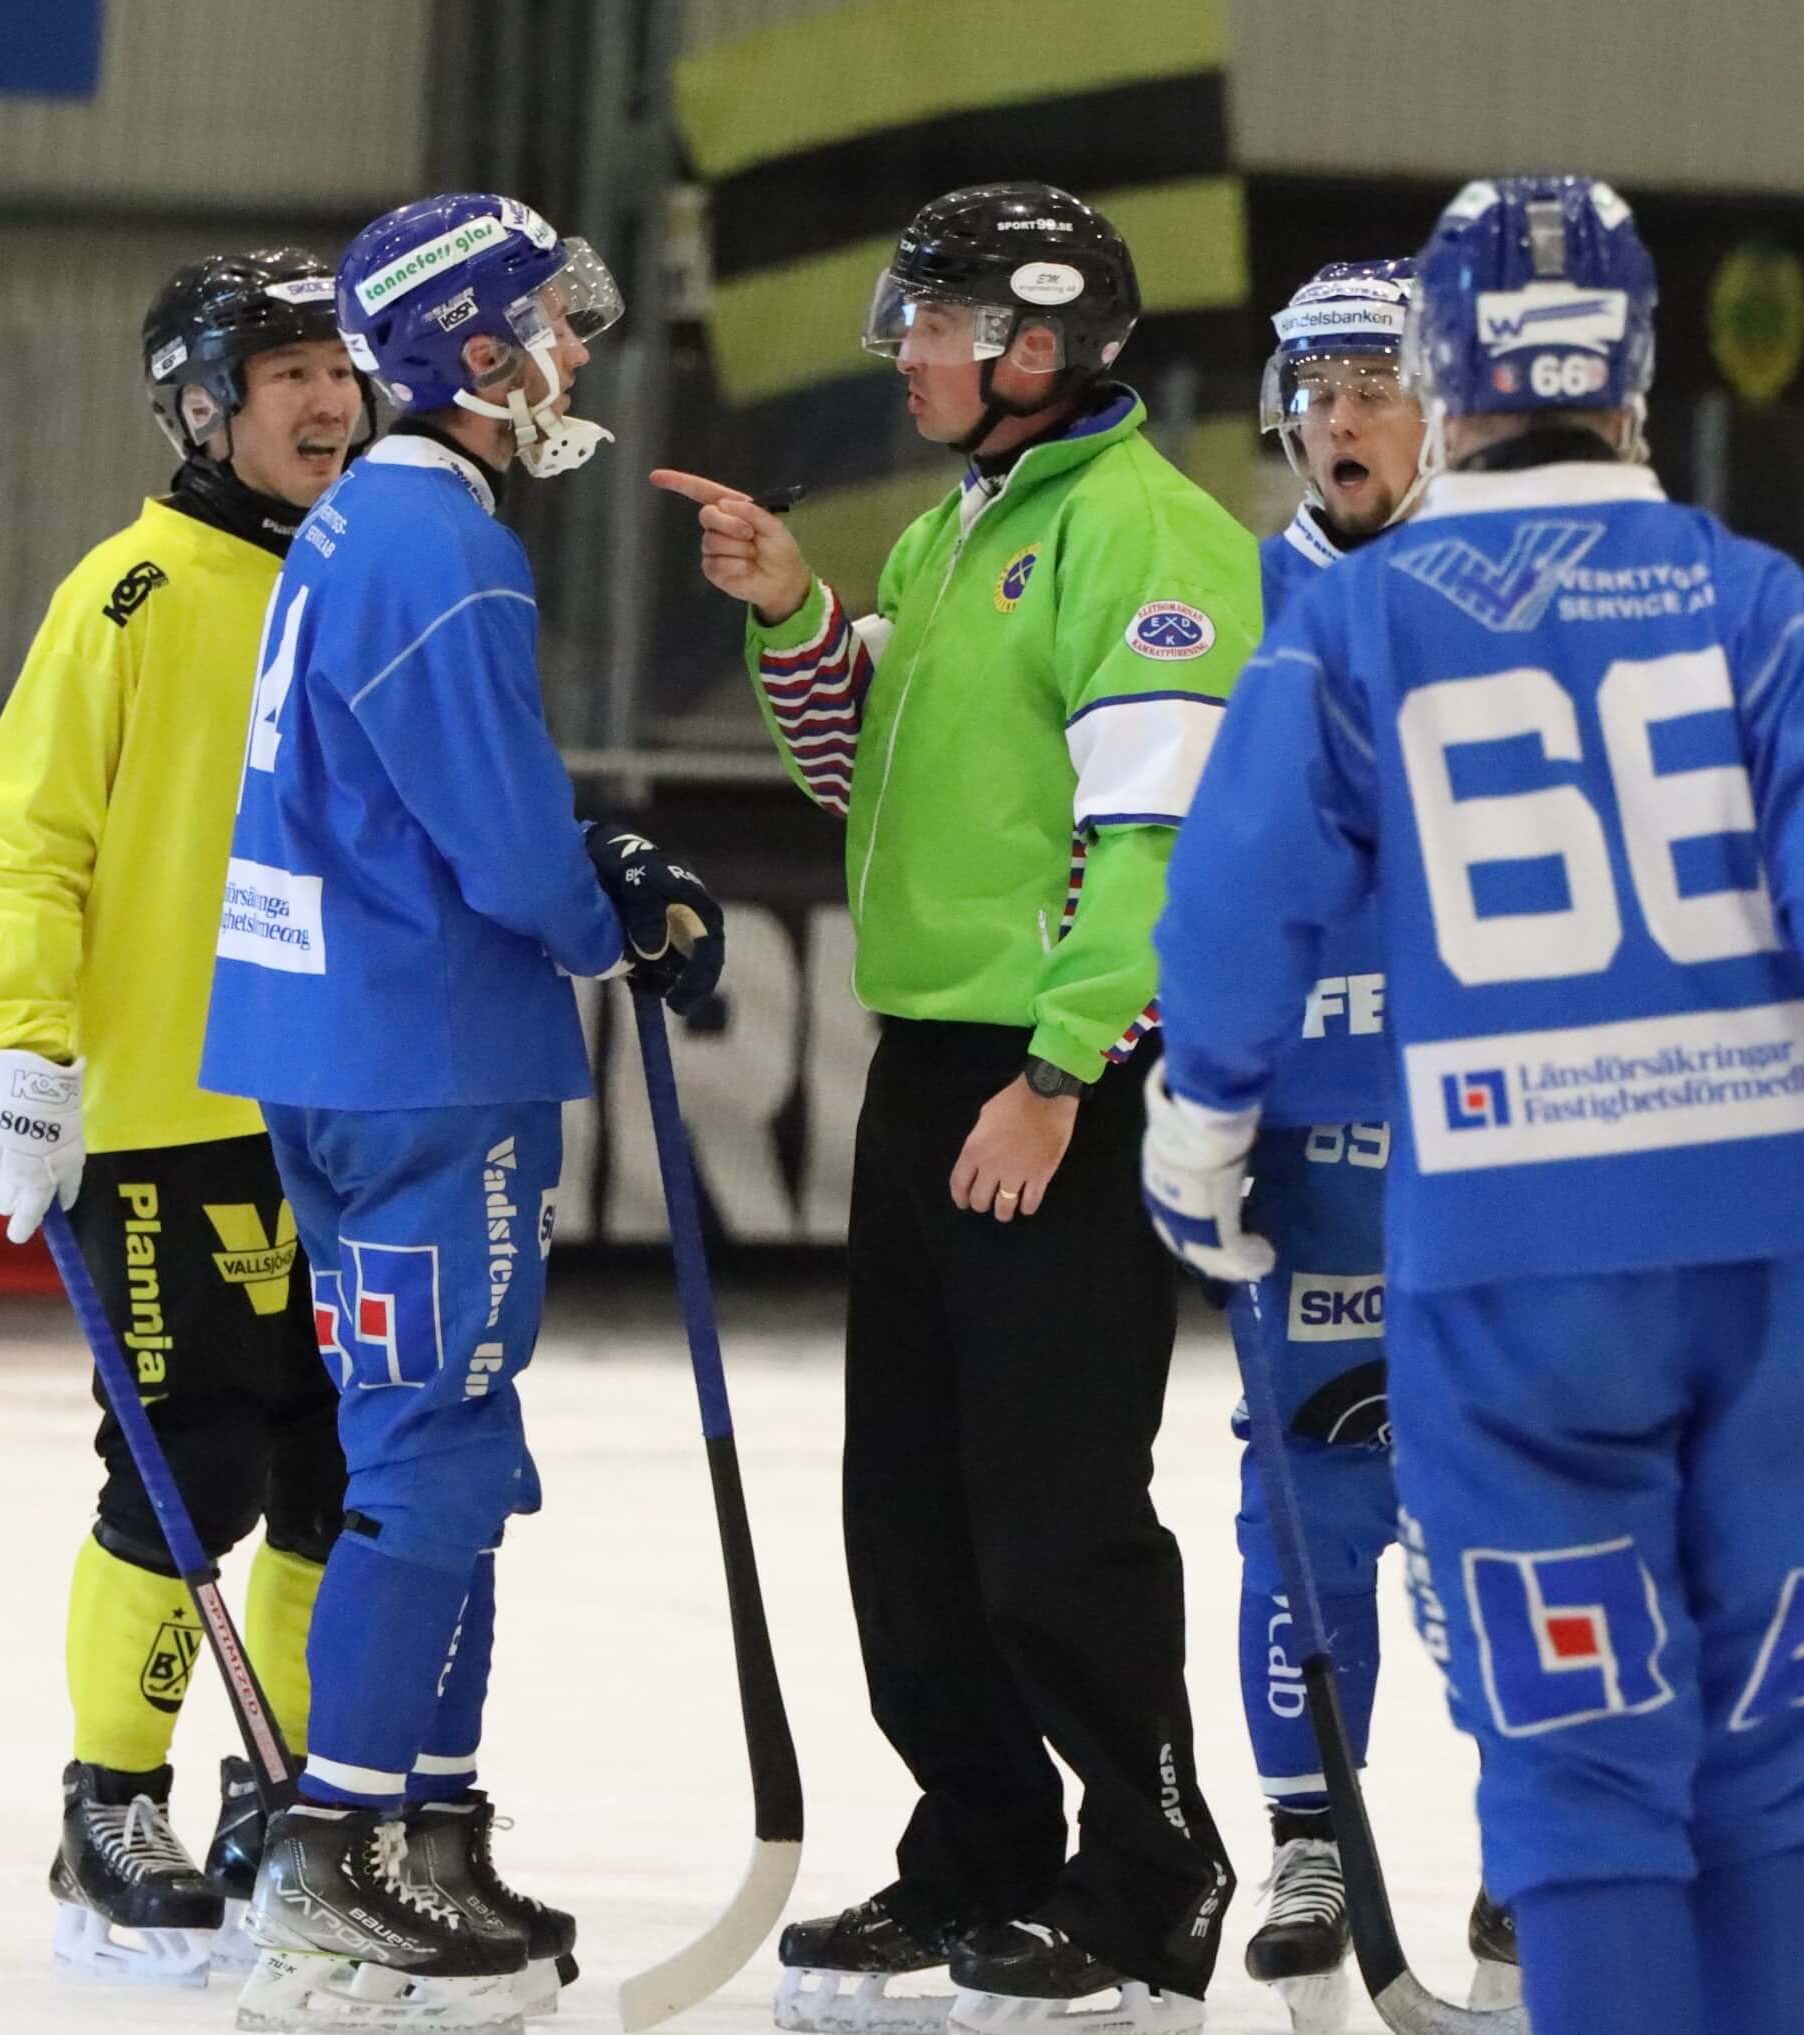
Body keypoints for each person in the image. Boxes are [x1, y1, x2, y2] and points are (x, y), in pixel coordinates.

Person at [1141, 176, 1804, 2035]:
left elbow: (1235, 897)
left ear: (1446, 379)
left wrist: (1201, 1125)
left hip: (1518, 1258)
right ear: (1634, 376)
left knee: (1583, 1785)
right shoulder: (1754, 597)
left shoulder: (1360, 621)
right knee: (1765, 1791)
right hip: (1777, 1253)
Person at [651, 182, 1250, 2035]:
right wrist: (793, 612)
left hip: (1049, 1081)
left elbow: (1156, 850)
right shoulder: (951, 530)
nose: (900, 350)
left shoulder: (1149, 537)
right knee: (908, 1517)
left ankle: (1149, 1883)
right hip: (927, 1070)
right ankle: (979, 1851)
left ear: (1036, 343)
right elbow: (868, 777)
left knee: (1055, 1512)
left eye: (931, 319)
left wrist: (1060, 1075)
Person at [199, 191, 726, 2035]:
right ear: (470, 349)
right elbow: (500, 846)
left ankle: (426, 1821)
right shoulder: (444, 541)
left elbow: (433, 791)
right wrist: (610, 917)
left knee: (438, 1441)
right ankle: (340, 1853)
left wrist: (582, 865)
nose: (570, 354)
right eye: (547, 324)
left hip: (334, 1046)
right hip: (428, 1055)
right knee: (432, 1450)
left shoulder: (360, 522)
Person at [0, 248, 365, 1984]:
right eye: (285, 374)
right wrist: (31, 1053)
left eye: (338, 367)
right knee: (185, 1467)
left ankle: (283, 1785)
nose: (327, 399)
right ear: (202, 409)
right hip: (164, 1118)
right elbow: (28, 839)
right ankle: (110, 1803)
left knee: (333, 1468)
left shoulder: (364, 573)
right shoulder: (129, 592)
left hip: (339, 1106)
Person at [1206, 254, 1519, 2026]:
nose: (1341, 419)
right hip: (1309, 1141)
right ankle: (1309, 1835)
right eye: (1317, 390)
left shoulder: (1523, 600)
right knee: (1306, 1496)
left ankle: (1531, 1834)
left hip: (1501, 1139)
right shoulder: (1231, 598)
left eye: (1376, 388)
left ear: (1445, 414)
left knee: (1516, 1494)